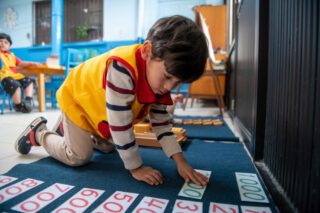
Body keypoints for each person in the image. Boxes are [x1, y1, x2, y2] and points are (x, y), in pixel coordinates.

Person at [15, 15, 209, 186]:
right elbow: (120, 125)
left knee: (109, 147)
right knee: (79, 156)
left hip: (98, 107)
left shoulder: (157, 78)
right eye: (167, 77)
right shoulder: (122, 69)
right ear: (147, 52)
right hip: (77, 98)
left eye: (177, 83)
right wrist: (136, 167)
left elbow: (161, 124)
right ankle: (39, 133)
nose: (168, 87)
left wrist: (180, 161)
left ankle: (68, 130)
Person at [0, 33, 39, 113]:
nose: (3, 44)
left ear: (9, 46)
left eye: (6, 42)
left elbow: (21, 63)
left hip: (14, 76)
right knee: (15, 84)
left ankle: (28, 100)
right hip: (3, 77)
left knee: (29, 80)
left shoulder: (12, 55)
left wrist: (31, 63)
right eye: (0, 41)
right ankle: (18, 105)